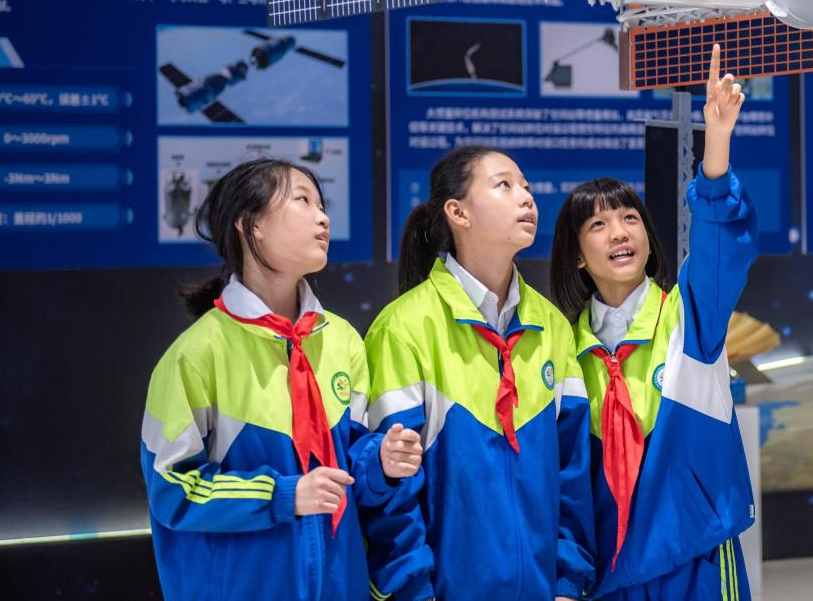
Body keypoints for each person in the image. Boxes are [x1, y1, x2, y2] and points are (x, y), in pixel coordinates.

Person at [141, 158, 433, 601]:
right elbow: (172, 489)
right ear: (251, 225)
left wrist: (382, 463)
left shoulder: (341, 340)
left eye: (323, 206)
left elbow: (351, 468)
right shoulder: (196, 355)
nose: (323, 218)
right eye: (303, 201)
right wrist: (282, 496)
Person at [549, 45, 759, 600]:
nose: (620, 232)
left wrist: (717, 146)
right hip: (606, 574)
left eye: (630, 217)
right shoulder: (561, 351)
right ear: (577, 256)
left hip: (694, 562)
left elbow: (721, 248)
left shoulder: (690, 316)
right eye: (598, 225)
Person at [365, 146, 595, 601]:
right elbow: (393, 490)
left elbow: (573, 469)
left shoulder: (551, 326)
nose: (527, 198)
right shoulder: (403, 328)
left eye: (526, 187)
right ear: (458, 213)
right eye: (504, 185)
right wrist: (414, 591)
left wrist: (569, 582)